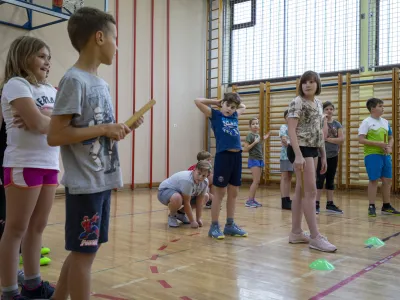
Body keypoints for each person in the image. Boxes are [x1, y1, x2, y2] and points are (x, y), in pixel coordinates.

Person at [47, 7, 144, 300]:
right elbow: (56, 135)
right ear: (99, 37)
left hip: (101, 180)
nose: (118, 45)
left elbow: (95, 130)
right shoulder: (74, 81)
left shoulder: (100, 83)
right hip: (85, 184)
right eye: (115, 37)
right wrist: (104, 129)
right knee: (84, 255)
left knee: (83, 251)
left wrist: (118, 129)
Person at [0, 36, 59, 299]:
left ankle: (33, 285)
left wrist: (43, 116)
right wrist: (44, 119)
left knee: (38, 227)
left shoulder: (53, 91)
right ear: (24, 57)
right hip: (23, 164)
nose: (47, 62)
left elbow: (69, 124)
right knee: (15, 230)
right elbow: (37, 125)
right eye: (41, 56)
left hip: (50, 164)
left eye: (48, 57)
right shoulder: (16, 84)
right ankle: (9, 292)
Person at [286, 70, 336, 252]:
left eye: (312, 82)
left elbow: (317, 132)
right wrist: (298, 155)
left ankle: (296, 232)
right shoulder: (297, 102)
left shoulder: (319, 103)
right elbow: (291, 130)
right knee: (311, 191)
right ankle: (315, 237)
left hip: (313, 149)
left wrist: (323, 154)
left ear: (317, 84)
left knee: (301, 190)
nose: (308, 85)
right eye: (305, 82)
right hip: (300, 149)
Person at [194, 93, 247, 239]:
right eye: (227, 105)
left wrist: (233, 103)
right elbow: (197, 100)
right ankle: (214, 226)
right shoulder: (215, 115)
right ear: (222, 104)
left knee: (234, 191)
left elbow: (244, 106)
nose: (229, 109)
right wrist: (216, 102)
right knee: (220, 192)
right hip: (224, 156)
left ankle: (229, 225)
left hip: (237, 157)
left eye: (232, 107)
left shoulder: (235, 115)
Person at [358, 98, 400, 217]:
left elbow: (391, 137)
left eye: (383, 106)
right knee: (374, 180)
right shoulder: (366, 122)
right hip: (372, 155)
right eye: (380, 106)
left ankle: (386, 206)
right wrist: (378, 144)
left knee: (387, 180)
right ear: (372, 109)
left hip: (385, 155)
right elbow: (361, 139)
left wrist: (390, 147)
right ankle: (371, 206)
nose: (383, 108)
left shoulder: (385, 122)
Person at [158, 160, 212, 228]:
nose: (200, 177)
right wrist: (192, 221)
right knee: (177, 198)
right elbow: (187, 202)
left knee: (206, 196)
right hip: (164, 192)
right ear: (194, 170)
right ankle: (172, 216)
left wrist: (198, 219)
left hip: (180, 194)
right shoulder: (187, 181)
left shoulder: (205, 182)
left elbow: (200, 202)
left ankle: (180, 213)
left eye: (204, 175)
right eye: (199, 173)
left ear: (207, 175)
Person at [316, 101, 344, 214]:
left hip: (333, 155)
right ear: (323, 111)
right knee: (319, 179)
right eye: (327, 109)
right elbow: (319, 137)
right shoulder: (320, 122)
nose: (329, 111)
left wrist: (328, 139)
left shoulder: (337, 124)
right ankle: (316, 203)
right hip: (320, 155)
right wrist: (330, 139)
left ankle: (330, 203)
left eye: (331, 109)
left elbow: (341, 139)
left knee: (331, 179)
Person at [243, 117, 270, 207]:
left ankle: (252, 200)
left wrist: (263, 140)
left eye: (257, 123)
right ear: (250, 126)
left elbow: (258, 147)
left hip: (259, 160)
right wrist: (254, 142)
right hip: (253, 159)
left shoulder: (257, 136)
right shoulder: (249, 135)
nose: (255, 125)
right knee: (256, 181)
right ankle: (249, 201)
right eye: (253, 124)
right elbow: (246, 148)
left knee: (257, 181)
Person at [279, 110, 293, 210]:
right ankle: (284, 200)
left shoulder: (295, 128)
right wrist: (293, 143)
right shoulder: (284, 127)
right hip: (285, 156)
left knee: (289, 177)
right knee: (284, 177)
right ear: (285, 118)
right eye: (287, 116)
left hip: (293, 156)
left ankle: (288, 198)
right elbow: (284, 141)